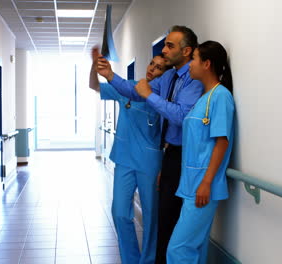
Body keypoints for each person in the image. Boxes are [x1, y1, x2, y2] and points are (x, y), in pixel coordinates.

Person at [96, 25, 203, 264]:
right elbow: (135, 91)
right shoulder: (168, 78)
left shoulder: (193, 81)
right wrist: (111, 76)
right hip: (164, 155)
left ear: (186, 51)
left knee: (165, 220)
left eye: (169, 45)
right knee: (150, 216)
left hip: (183, 156)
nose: (164, 50)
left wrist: (148, 95)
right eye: (164, 45)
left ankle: (152, 260)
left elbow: (180, 116)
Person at [89, 47, 170, 264]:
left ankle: (149, 260)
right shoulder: (129, 87)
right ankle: (131, 259)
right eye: (152, 64)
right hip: (124, 159)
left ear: (167, 74)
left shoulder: (162, 98)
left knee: (151, 217)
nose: (153, 68)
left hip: (150, 164)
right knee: (120, 212)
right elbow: (94, 86)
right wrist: (94, 65)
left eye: (160, 67)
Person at [166, 40, 235, 264]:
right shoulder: (203, 98)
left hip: (202, 186)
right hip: (192, 184)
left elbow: (221, 142)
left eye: (194, 59)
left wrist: (206, 182)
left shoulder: (220, 96)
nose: (190, 64)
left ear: (207, 64)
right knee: (194, 248)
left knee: (178, 249)